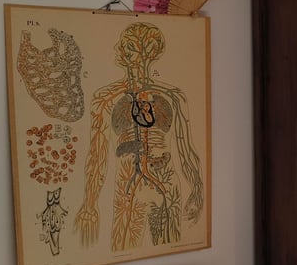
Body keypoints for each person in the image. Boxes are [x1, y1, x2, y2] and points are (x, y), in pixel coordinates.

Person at [74, 22, 204, 250]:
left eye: (129, 46)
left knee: (170, 251)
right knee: (123, 252)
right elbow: (97, 156)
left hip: (166, 187)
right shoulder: (105, 99)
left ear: (150, 52)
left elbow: (186, 150)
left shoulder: (173, 97)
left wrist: (197, 189)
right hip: (128, 190)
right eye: (122, 45)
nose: (119, 50)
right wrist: (89, 203)